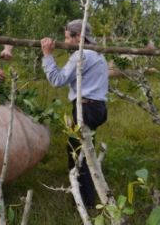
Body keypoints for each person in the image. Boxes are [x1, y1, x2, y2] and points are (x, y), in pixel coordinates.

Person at [40, 19, 108, 208]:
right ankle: (91, 193)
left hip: (85, 108)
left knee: (78, 154)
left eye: (67, 38)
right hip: (99, 107)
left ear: (78, 37)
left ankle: (85, 201)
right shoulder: (98, 54)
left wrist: (47, 55)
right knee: (85, 151)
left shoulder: (81, 54)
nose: (66, 42)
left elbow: (57, 80)